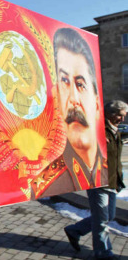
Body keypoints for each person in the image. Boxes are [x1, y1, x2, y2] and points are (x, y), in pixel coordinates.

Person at [32, 28, 107, 198]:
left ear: (96, 104)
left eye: (80, 84)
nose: (73, 99)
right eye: (64, 81)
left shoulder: (107, 170)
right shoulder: (43, 186)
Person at [64, 100, 127, 259]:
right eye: (121, 116)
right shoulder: (96, 128)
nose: (123, 120)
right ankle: (102, 252)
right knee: (102, 221)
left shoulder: (116, 129)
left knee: (108, 216)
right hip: (98, 180)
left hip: (112, 179)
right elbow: (78, 139)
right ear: (111, 114)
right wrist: (96, 140)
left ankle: (75, 230)